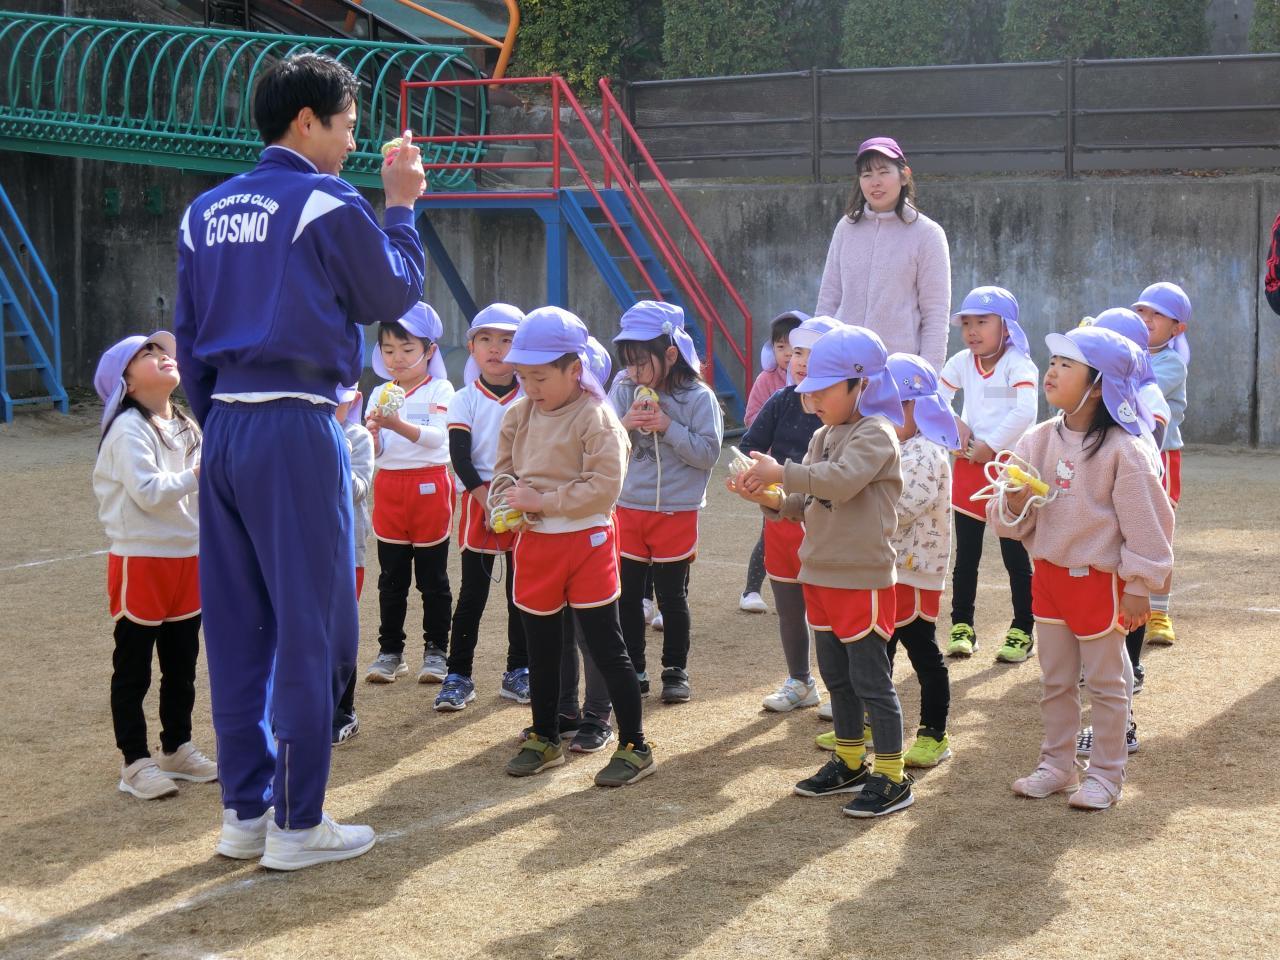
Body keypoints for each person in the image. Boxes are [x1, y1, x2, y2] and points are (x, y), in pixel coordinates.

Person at [174, 52, 426, 870]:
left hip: (226, 427)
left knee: (237, 629)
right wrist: (401, 206)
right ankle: (298, 823)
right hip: (295, 425)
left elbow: (188, 341)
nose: (352, 142)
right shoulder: (324, 198)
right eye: (347, 125)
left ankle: (245, 813)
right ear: (307, 121)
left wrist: (223, 422)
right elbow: (393, 295)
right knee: (312, 628)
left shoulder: (204, 211)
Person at [992, 326, 1174, 811]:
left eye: (1066, 365)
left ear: (1099, 385)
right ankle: (1058, 765)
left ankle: (1107, 774)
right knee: (1055, 680)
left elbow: (1148, 523)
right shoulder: (1036, 439)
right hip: (1048, 578)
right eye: (1052, 361)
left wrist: (1139, 584)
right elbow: (1006, 520)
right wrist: (1015, 501)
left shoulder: (1125, 449)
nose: (1051, 371)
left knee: (1107, 684)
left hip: (1099, 583)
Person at [737, 325, 916, 819]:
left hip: (861, 576)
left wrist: (782, 472)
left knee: (871, 681)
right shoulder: (822, 435)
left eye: (824, 390)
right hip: (819, 573)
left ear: (862, 384)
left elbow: (840, 481)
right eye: (809, 390)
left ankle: (892, 775)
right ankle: (850, 761)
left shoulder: (877, 433)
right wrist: (767, 495)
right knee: (837, 678)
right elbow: (803, 501)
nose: (812, 400)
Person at [492, 307, 654, 786]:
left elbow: (604, 488)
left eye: (540, 377)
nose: (530, 387)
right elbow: (502, 472)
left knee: (606, 645)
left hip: (587, 542)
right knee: (542, 648)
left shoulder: (597, 417)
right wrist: (506, 502)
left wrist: (542, 501)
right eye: (522, 376)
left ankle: (635, 745)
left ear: (574, 369)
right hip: (536, 544)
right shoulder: (518, 414)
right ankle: (546, 736)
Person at [93, 332, 218, 800]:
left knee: (181, 662)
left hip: (187, 555)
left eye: (163, 350)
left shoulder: (184, 422)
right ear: (124, 382)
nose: (162, 356)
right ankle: (134, 761)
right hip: (141, 556)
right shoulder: (128, 428)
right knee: (134, 667)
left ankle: (176, 747)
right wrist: (198, 474)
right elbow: (147, 492)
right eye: (147, 353)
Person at [611, 301, 724, 704]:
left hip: (676, 509)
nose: (634, 372)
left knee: (672, 597)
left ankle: (675, 670)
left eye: (642, 363)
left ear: (671, 354)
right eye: (629, 363)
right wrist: (625, 425)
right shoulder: (622, 389)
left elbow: (708, 454)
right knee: (627, 597)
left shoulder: (698, 397)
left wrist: (667, 426)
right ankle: (634, 668)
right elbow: (602, 442)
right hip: (629, 506)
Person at [939, 286, 1039, 663]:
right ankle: (961, 626)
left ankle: (1022, 629)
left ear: (1006, 327)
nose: (972, 331)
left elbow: (1025, 411)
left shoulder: (1018, 364)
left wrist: (991, 446)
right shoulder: (962, 362)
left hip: (1009, 469)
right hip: (969, 466)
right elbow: (935, 398)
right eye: (966, 323)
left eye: (982, 322)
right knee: (967, 556)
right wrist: (954, 428)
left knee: (1015, 557)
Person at [736, 316, 831, 713]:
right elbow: (750, 447)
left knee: (829, 612)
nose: (799, 361)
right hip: (781, 515)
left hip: (826, 522)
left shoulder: (844, 413)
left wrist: (780, 474)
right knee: (790, 608)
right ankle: (801, 681)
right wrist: (750, 474)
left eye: (810, 353)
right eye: (796, 352)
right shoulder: (782, 399)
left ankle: (842, 690)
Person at [1076, 307, 1170, 701]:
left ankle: (1131, 669)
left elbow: (1153, 440)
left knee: (1130, 594)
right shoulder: (1090, 391)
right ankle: (1099, 663)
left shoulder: (1146, 390)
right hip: (1098, 508)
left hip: (1128, 505)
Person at [439, 303, 528, 711]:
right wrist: (486, 501)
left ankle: (518, 670)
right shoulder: (463, 399)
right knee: (472, 594)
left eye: (507, 340)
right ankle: (458, 674)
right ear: (471, 347)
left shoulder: (532, 395)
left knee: (520, 593)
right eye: (486, 339)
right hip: (481, 500)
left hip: (522, 497)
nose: (496, 348)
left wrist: (520, 495)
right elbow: (460, 456)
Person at [364, 303, 456, 684]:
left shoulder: (441, 388)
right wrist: (372, 437)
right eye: (388, 350)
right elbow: (377, 452)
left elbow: (439, 440)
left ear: (429, 350)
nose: (396, 359)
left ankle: (436, 651)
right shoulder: (378, 393)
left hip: (430, 486)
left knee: (433, 578)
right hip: (389, 486)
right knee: (391, 578)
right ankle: (390, 651)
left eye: (406, 349)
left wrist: (396, 424)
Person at [815, 137, 951, 372]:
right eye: (866, 175)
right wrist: (817, 356)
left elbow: (936, 315)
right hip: (842, 366)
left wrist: (929, 376)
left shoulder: (928, 234)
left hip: (897, 370)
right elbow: (828, 300)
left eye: (883, 172)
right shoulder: (846, 228)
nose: (875, 182)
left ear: (904, 175)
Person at [883, 352, 957, 768]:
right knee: (880, 648)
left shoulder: (926, 453)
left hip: (914, 568)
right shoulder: (899, 446)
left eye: (894, 407)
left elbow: (901, 507)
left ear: (917, 407)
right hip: (890, 567)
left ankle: (934, 733)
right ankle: (875, 722)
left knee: (922, 651)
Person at [1132, 282, 1191, 646]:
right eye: (1141, 311)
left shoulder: (1171, 363)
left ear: (1177, 328)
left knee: (1159, 534)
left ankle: (1159, 613)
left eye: (1157, 314)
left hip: (1163, 456)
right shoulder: (1127, 353)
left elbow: (1139, 389)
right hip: (1128, 454)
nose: (1147, 319)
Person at [739, 310, 808, 615]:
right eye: (784, 348)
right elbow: (752, 420)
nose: (792, 357)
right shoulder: (771, 385)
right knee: (771, 532)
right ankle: (751, 589)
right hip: (775, 474)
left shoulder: (827, 397)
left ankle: (807, 593)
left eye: (798, 350)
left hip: (809, 479)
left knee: (809, 538)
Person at [332, 385, 374, 745]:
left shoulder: (357, 437)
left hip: (348, 550)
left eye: (339, 400)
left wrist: (336, 450)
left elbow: (358, 489)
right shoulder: (296, 435)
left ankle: (343, 710)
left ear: (354, 401)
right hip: (304, 549)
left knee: (340, 629)